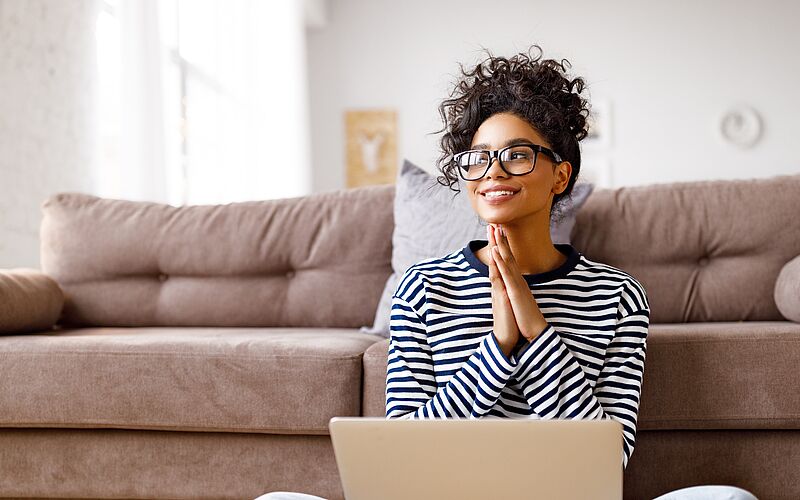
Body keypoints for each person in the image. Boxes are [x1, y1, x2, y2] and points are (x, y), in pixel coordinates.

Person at [254, 46, 758, 500]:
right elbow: (407, 448)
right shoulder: (423, 288)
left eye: (517, 155)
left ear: (561, 175)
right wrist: (497, 346)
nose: (493, 170)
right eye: (477, 159)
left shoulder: (619, 296)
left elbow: (607, 458)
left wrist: (535, 329)